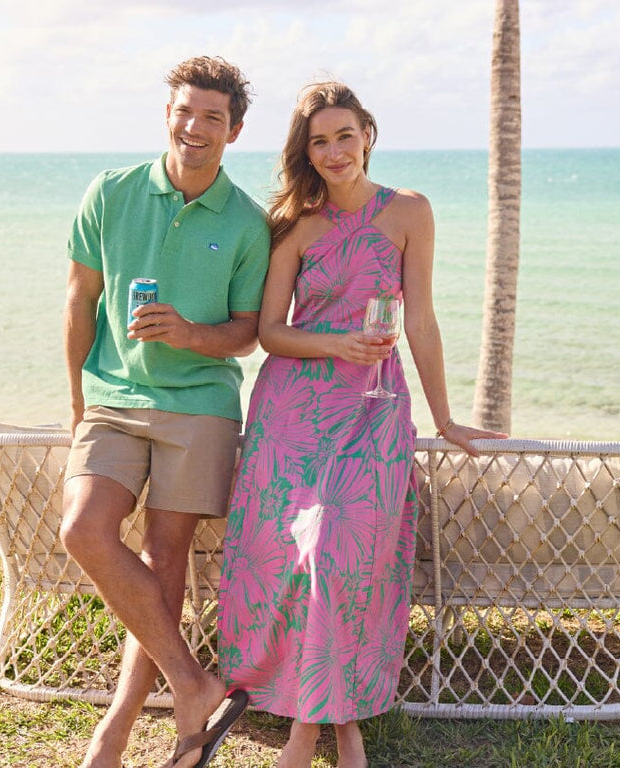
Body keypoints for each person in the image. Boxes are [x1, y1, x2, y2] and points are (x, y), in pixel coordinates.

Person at [216, 81, 506, 768]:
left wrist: (445, 418)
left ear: (367, 135)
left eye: (345, 135)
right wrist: (334, 345)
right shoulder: (292, 223)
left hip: (373, 408)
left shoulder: (409, 211)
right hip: (292, 412)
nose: (334, 151)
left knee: (348, 559)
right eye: (319, 141)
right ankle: (331, 726)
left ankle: (316, 726)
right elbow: (270, 332)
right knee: (301, 558)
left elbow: (421, 320)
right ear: (306, 151)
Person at [58, 56, 269, 768]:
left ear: (234, 131)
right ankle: (192, 683)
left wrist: (190, 335)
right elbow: (80, 299)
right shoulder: (111, 192)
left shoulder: (248, 222)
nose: (194, 127)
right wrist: (79, 400)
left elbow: (248, 333)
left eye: (213, 117)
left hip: (201, 405)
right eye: (185, 111)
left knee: (165, 557)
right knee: (84, 530)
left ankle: (117, 726)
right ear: (167, 115)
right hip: (114, 399)